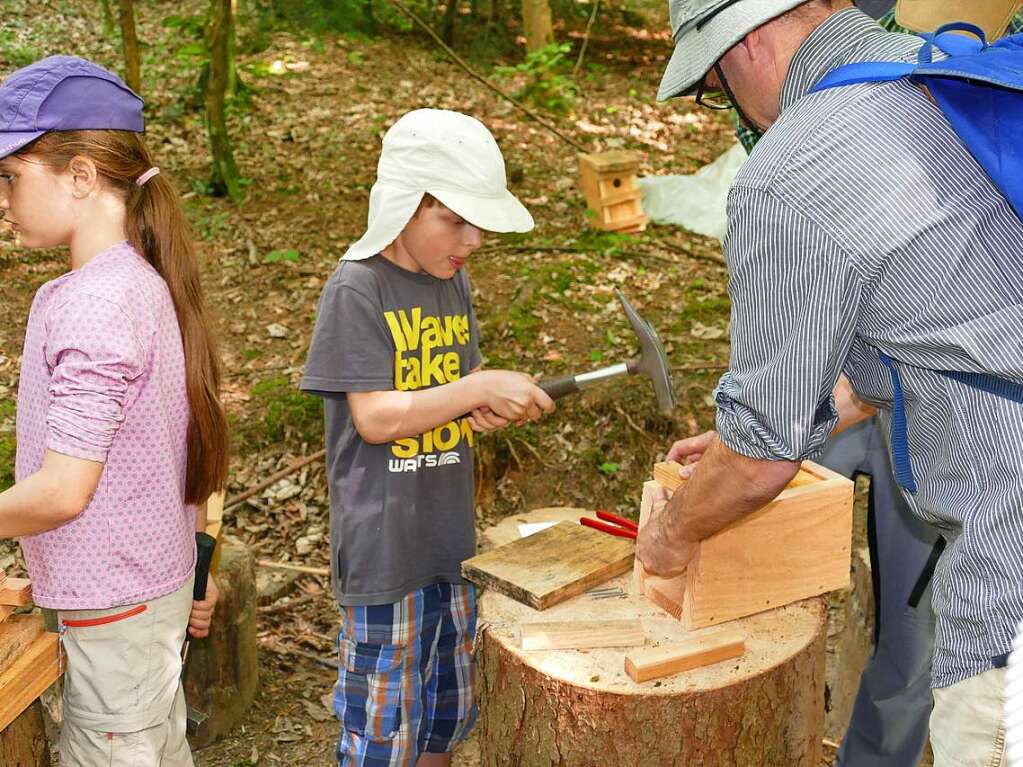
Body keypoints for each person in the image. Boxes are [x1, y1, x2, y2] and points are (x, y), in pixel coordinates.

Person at [640, 3, 1023, 766]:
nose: (733, 111)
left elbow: (758, 466)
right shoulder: (938, 73)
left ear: (744, 44)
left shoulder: (789, 173)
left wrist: (671, 532)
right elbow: (945, 312)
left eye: (717, 88)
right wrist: (797, 413)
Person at [300, 108, 555, 767]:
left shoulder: (452, 279)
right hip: (386, 552)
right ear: (403, 205)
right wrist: (473, 390)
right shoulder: (357, 287)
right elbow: (377, 416)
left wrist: (482, 399)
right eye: (452, 220)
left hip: (447, 543)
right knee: (385, 736)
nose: (469, 239)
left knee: (443, 717)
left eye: (478, 224)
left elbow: (453, 380)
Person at [0, 56, 226, 765]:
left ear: (81, 175)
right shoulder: (134, 280)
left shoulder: (97, 301)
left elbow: (66, 489)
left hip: (116, 613)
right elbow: (172, 445)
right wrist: (196, 561)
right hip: (145, 597)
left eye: (10, 176)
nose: (0, 198)